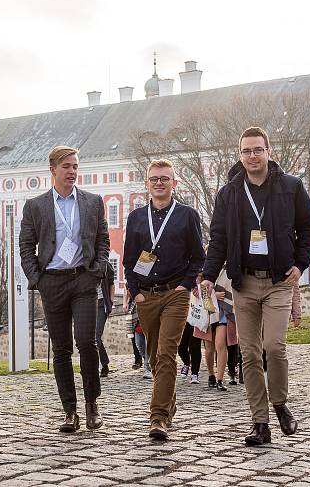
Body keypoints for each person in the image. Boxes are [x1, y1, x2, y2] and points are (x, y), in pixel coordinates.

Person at [201, 126, 310, 446]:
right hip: (244, 282)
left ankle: (279, 403)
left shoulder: (290, 187)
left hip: (279, 281)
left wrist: (301, 263)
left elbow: (309, 226)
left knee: (274, 347)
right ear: (240, 156)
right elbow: (219, 239)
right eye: (246, 151)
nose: (252, 156)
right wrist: (209, 275)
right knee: (250, 353)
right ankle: (260, 423)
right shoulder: (229, 193)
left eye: (258, 150)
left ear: (269, 151)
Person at [19, 145, 110, 433]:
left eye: (75, 166)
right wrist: (37, 279)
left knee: (87, 342)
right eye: (67, 166)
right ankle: (70, 411)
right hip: (53, 282)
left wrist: (97, 271)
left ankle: (92, 405)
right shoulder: (36, 206)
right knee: (61, 349)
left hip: (84, 280)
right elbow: (25, 246)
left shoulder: (93, 202)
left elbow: (103, 240)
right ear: (53, 169)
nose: (72, 172)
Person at [123, 159, 205, 440]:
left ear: (174, 183)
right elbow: (130, 261)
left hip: (175, 295)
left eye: (165, 179)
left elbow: (198, 257)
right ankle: (169, 403)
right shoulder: (135, 217)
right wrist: (137, 293)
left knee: (167, 352)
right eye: (154, 179)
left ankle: (157, 418)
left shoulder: (187, 215)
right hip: (147, 295)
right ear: (147, 183)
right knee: (155, 358)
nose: (160, 183)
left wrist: (184, 286)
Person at [97, 261, 115, 377]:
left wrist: (111, 302)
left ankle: (104, 365)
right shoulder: (82, 262)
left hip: (101, 304)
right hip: (85, 304)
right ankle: (93, 365)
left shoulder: (105, 264)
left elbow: (111, 284)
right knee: (87, 338)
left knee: (96, 336)